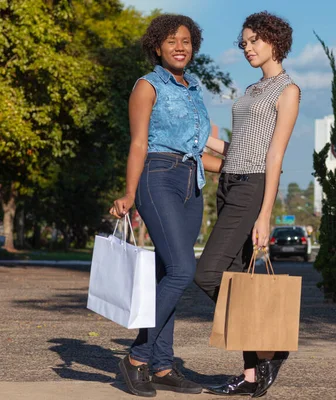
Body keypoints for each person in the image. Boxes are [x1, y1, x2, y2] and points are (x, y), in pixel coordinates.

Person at [109, 14, 223, 397]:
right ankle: (138, 357)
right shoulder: (147, 86)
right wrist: (128, 192)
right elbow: (140, 143)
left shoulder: (193, 89)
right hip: (157, 177)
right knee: (182, 269)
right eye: (172, 40)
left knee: (166, 274)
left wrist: (237, 169)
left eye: (187, 41)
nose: (181, 47)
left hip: (192, 184)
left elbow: (196, 152)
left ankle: (162, 366)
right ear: (157, 46)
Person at [194, 11, 301, 398]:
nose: (248, 48)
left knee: (206, 273)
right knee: (239, 280)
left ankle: (273, 347)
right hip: (228, 183)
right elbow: (236, 146)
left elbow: (275, 155)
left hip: (252, 187)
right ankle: (252, 375)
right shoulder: (252, 89)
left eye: (254, 41)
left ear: (274, 40)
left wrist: (266, 213)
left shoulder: (288, 91)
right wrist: (199, 136)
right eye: (243, 43)